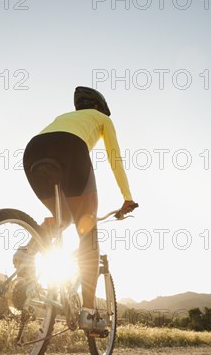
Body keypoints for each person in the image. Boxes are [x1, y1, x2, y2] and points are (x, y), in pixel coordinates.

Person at [17, 86, 137, 332]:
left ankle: (27, 252)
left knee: (63, 220)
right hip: (70, 149)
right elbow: (115, 158)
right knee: (88, 229)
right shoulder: (102, 119)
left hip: (34, 151)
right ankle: (89, 313)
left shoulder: (63, 118)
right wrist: (127, 198)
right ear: (99, 108)